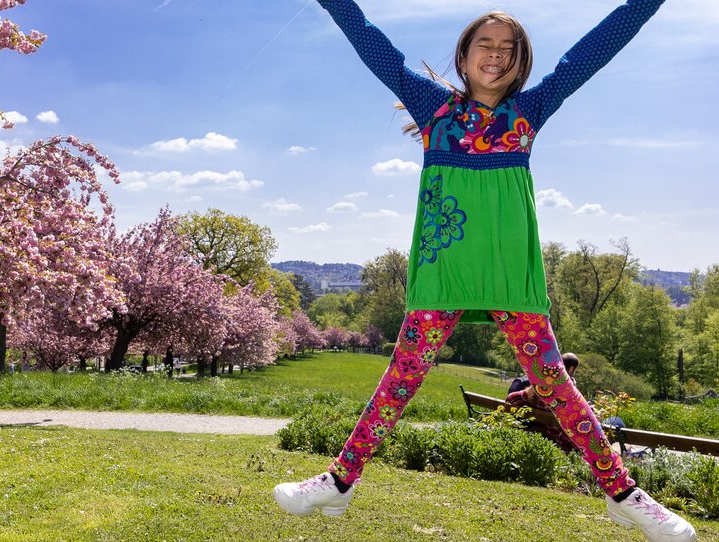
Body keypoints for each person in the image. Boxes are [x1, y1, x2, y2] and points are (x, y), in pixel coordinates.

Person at [272, 2, 697, 541]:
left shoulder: (530, 111)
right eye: (485, 45)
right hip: (443, 272)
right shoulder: (433, 109)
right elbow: (367, 38)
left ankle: (624, 495)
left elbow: (596, 48)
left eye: (508, 47)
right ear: (464, 56)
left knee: (556, 387)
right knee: (399, 381)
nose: (495, 55)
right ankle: (340, 480)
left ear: (520, 62)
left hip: (509, 276)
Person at [505, 352, 580, 453]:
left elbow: (511, 398)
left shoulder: (538, 389)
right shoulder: (566, 396)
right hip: (557, 444)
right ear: (571, 369)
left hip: (527, 433)